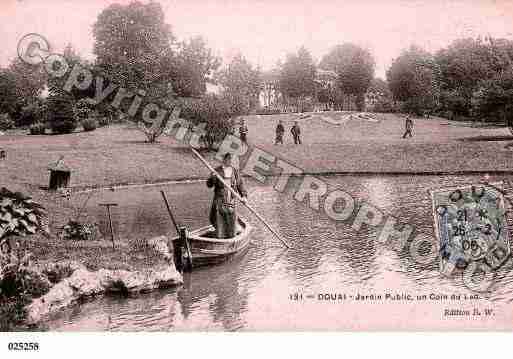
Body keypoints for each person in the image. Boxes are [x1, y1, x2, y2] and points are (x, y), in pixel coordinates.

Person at [206, 153, 247, 238]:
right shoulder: (216, 171)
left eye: (232, 160)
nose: (231, 161)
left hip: (231, 199)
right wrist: (212, 178)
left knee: (231, 218)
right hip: (219, 200)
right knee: (219, 218)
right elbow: (209, 185)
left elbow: (240, 185)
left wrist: (244, 196)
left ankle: (232, 237)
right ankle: (220, 237)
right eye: (229, 159)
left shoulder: (235, 171)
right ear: (224, 159)